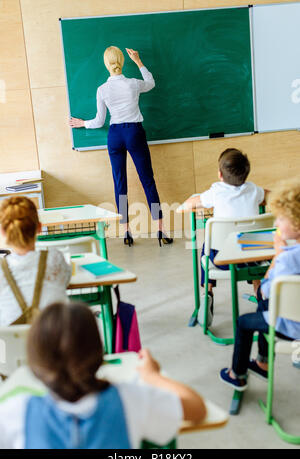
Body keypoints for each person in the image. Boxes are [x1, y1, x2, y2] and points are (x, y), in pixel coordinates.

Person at [0, 302, 206, 449]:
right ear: (99, 352)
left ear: (35, 361)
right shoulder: (129, 399)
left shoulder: (16, 413)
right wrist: (153, 376)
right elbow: (197, 408)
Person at [70, 46, 172, 247]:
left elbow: (99, 121)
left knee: (120, 183)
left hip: (115, 135)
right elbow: (151, 83)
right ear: (122, 62)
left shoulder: (102, 89)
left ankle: (126, 232)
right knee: (148, 180)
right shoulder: (133, 84)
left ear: (106, 64)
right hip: (134, 133)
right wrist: (139, 62)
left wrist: (82, 123)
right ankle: (161, 229)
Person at [219, 179, 300, 390]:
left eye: (281, 219)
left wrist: (276, 257)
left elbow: (264, 292)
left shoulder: (287, 259)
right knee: (263, 309)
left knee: (245, 321)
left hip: (292, 324)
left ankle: (236, 373)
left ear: (296, 225)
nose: (277, 224)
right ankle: (263, 362)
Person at [184, 148, 268, 324]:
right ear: (246, 174)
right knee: (254, 243)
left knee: (206, 248)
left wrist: (187, 202)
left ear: (220, 175)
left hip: (221, 262)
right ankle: (260, 293)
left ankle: (208, 292)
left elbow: (192, 203)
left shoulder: (216, 192)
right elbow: (268, 195)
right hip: (251, 260)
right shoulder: (253, 190)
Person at [0, 196, 71, 326]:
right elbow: (65, 281)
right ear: (39, 227)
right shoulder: (55, 259)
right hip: (55, 340)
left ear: (3, 232)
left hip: (12, 343)